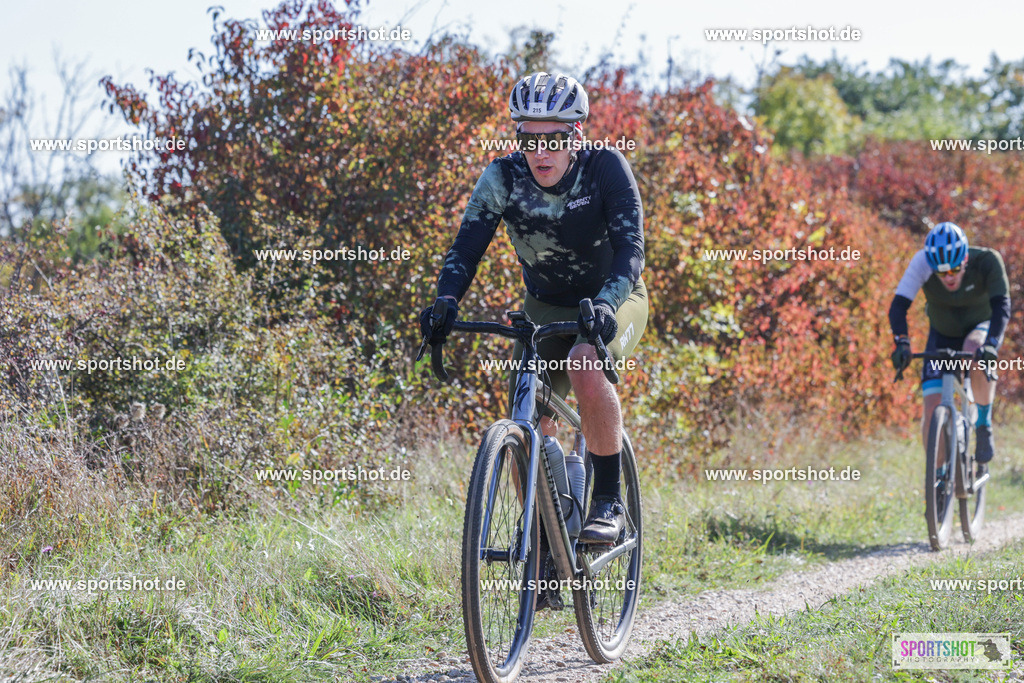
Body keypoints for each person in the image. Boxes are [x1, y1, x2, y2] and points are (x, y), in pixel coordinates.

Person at [419, 71, 647, 549]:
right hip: (544, 307)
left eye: (554, 139)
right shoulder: (503, 176)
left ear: (575, 136)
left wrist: (606, 303)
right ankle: (543, 542)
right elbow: (467, 248)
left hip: (615, 298)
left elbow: (631, 248)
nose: (540, 151)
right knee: (528, 413)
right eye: (529, 138)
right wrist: (445, 300)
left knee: (586, 366)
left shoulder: (605, 167)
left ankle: (609, 501)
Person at [889, 222, 1011, 477]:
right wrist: (902, 341)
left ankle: (983, 422)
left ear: (965, 259)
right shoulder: (922, 262)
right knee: (932, 405)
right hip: (942, 334)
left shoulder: (987, 261)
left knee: (975, 348)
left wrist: (991, 345)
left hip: (980, 326)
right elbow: (898, 306)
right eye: (941, 273)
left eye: (955, 269)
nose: (949, 277)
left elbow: (1002, 306)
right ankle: (938, 477)